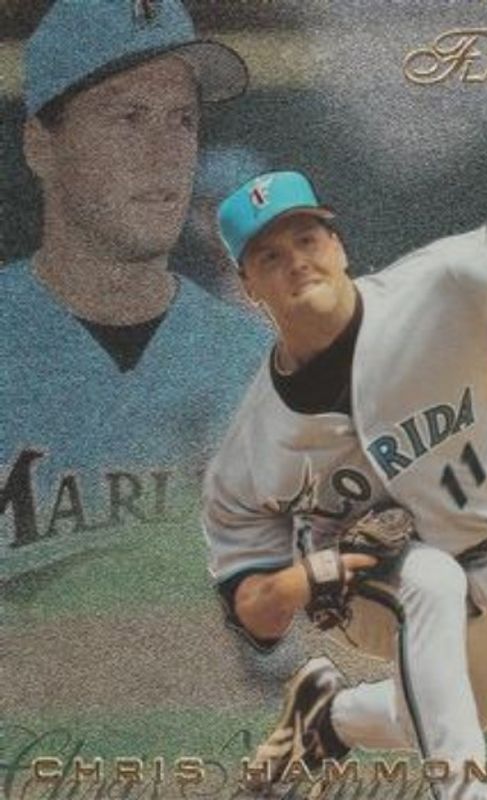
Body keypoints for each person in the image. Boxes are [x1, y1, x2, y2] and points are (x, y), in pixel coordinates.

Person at [203, 169, 487, 799]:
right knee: (429, 577)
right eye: (269, 256)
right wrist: (307, 576)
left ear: (339, 245)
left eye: (307, 238)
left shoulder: (446, 288)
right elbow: (255, 612)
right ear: (248, 285)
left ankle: (329, 718)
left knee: (466, 707)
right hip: (363, 592)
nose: (295, 262)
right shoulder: (251, 449)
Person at [1, 0, 266, 577]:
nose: (167, 153)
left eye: (183, 120)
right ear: (40, 146)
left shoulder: (252, 358)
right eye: (128, 117)